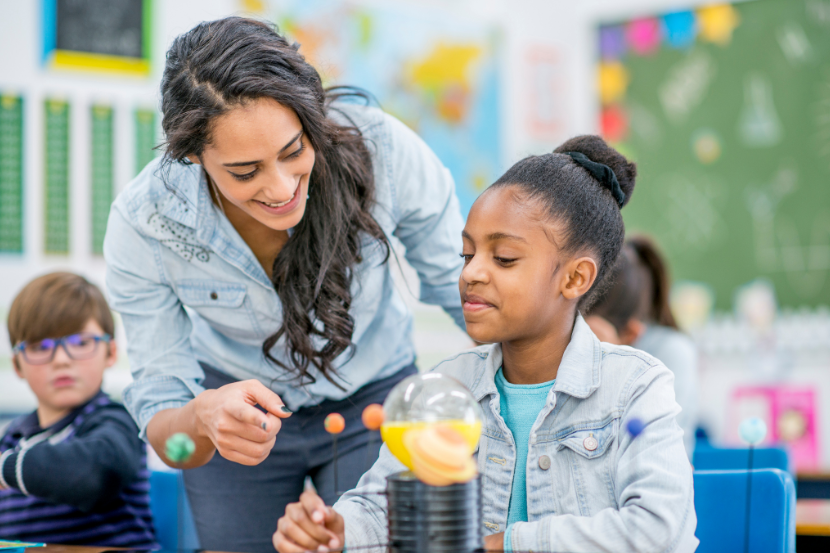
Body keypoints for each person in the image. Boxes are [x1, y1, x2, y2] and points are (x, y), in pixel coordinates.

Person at [103, 17, 466, 552]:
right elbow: (172, 438)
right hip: (234, 412)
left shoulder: (386, 151)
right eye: (245, 172)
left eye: (294, 150)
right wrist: (203, 420)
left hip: (375, 400)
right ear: (192, 157)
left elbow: (464, 291)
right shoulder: (146, 221)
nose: (280, 188)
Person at [273, 136, 698, 553]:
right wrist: (336, 529)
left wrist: (504, 544)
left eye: (504, 258)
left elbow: (658, 532)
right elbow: (383, 507)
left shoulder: (637, 387)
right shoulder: (447, 384)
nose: (471, 273)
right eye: (467, 254)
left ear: (574, 279)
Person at [0, 273, 156, 548]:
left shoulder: (117, 422)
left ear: (110, 352)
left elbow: (96, 473)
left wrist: (6, 468)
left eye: (81, 343)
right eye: (40, 346)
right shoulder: (10, 438)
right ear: (17, 365)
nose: (61, 359)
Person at [585, 236, 699, 459]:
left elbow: (657, 451)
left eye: (587, 339)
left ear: (630, 334)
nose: (574, 348)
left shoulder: (672, 352)